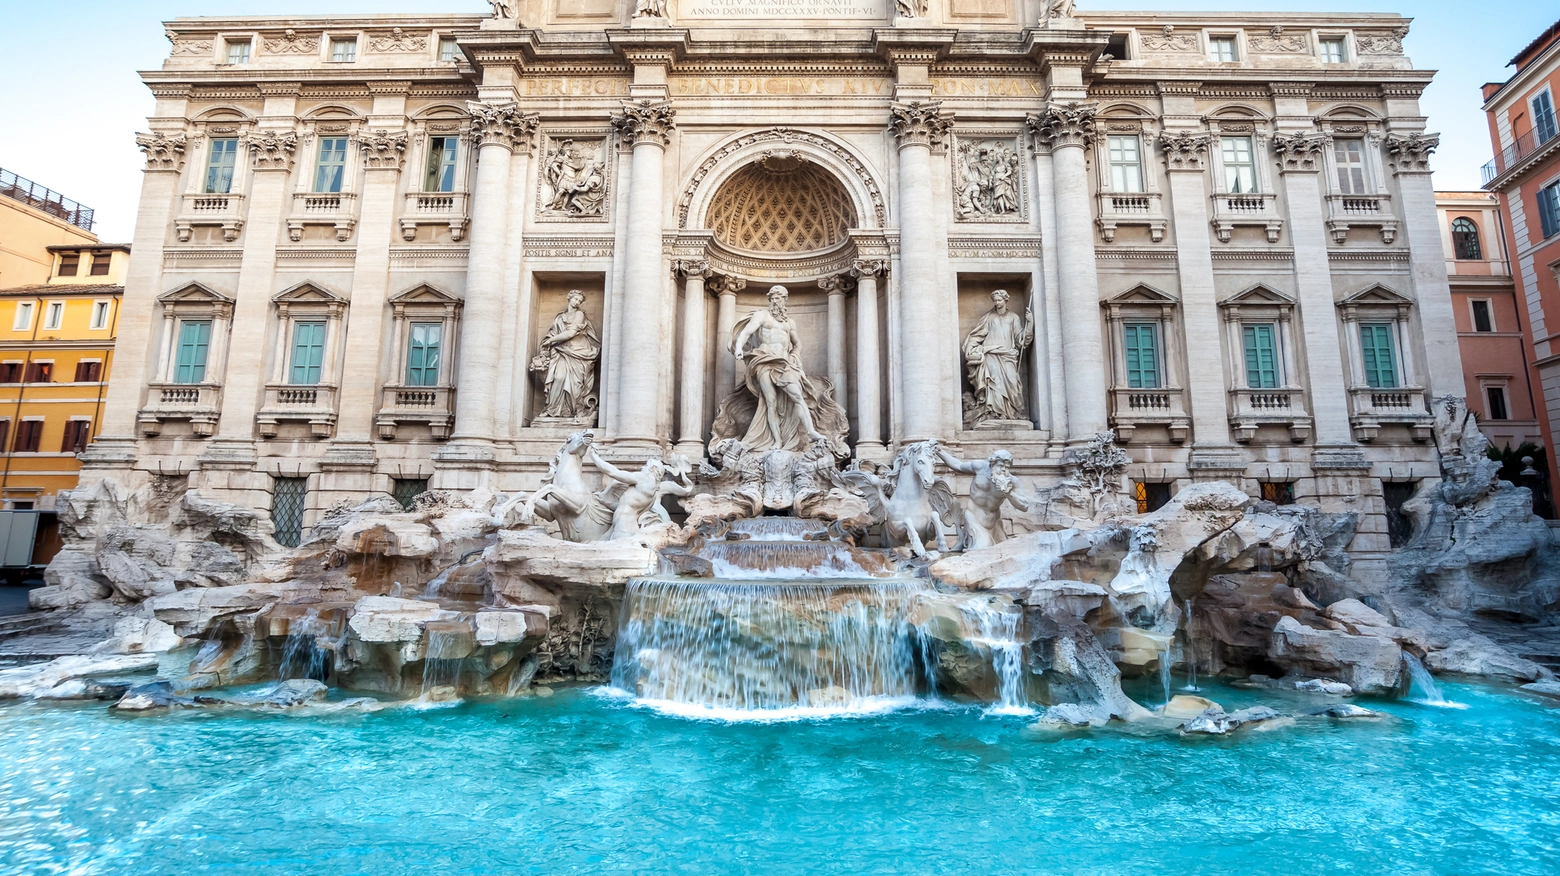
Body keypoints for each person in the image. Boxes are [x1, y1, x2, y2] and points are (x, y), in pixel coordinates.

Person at [729, 286, 829, 451]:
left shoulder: (790, 323)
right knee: (771, 402)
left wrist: (795, 356)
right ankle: (777, 441)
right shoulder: (761, 316)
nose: (776, 301)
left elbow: (798, 344)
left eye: (779, 298)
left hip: (784, 363)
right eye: (773, 298)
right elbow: (745, 333)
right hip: (764, 360)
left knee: (797, 395)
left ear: (785, 300)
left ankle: (811, 431)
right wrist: (739, 347)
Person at [588, 449, 692, 540]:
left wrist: (594, 457)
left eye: (646, 465)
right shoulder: (652, 491)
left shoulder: (644, 479)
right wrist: (606, 502)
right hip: (624, 526)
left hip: (623, 527)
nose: (643, 468)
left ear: (652, 469)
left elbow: (614, 472)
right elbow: (627, 505)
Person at [963, 289, 1033, 422]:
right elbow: (978, 335)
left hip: (1008, 355)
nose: (997, 302)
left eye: (999, 300)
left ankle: (1013, 412)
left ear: (1006, 300)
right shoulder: (989, 317)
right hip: (991, 355)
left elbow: (1021, 339)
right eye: (995, 300)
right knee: (993, 382)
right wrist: (971, 346)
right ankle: (993, 413)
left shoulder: (1013, 317)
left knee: (1012, 382)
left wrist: (1030, 323)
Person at [938, 448, 1030, 549]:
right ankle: (968, 538)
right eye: (1000, 465)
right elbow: (958, 466)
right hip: (974, 517)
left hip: (994, 523)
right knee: (982, 548)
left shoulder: (1012, 481)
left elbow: (1024, 506)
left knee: (1003, 550)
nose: (1003, 469)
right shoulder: (979, 467)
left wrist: (1008, 493)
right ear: (992, 464)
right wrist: (939, 451)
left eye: (1007, 467)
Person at [535, 290, 601, 420]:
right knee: (558, 378)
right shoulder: (559, 317)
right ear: (569, 298)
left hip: (578, 352)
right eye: (576, 299)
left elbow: (570, 334)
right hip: (561, 351)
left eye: (580, 301)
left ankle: (571, 411)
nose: (577, 302)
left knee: (574, 384)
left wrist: (550, 341)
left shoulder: (579, 314)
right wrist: (548, 342)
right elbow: (553, 333)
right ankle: (552, 409)